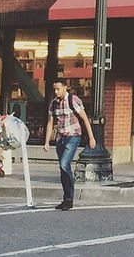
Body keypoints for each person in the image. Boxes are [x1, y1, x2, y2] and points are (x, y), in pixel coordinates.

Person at [43, 80, 96, 211]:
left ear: (65, 88)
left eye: (58, 89)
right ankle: (67, 199)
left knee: (64, 164)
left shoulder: (73, 100)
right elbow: (50, 123)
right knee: (63, 169)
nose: (56, 92)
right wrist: (47, 141)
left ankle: (69, 198)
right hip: (60, 138)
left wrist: (91, 138)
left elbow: (84, 118)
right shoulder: (53, 103)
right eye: (54, 89)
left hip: (73, 136)